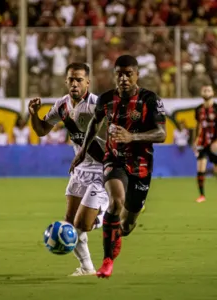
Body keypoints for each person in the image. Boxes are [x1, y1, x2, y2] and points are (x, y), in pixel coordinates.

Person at [70, 55, 166, 278]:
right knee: (116, 202)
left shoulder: (150, 100)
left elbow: (161, 134)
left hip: (141, 165)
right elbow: (96, 122)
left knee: (127, 226)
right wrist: (83, 150)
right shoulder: (106, 99)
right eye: (119, 74)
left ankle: (122, 227)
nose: (123, 78)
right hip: (114, 160)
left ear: (137, 75)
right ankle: (107, 262)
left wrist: (132, 137)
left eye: (128, 74)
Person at [28, 62, 109, 276]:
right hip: (79, 170)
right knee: (70, 224)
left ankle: (111, 213)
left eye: (79, 79)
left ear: (88, 82)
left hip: (102, 171)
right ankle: (87, 268)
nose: (74, 83)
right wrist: (33, 114)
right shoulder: (62, 105)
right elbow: (42, 131)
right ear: (66, 81)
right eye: (71, 79)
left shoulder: (97, 105)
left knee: (83, 224)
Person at [193, 84, 217, 203]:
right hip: (202, 141)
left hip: (214, 142)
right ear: (201, 94)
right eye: (204, 90)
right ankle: (202, 195)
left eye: (208, 90)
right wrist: (195, 140)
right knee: (200, 168)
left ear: (213, 93)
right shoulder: (198, 109)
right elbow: (197, 126)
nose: (206, 92)